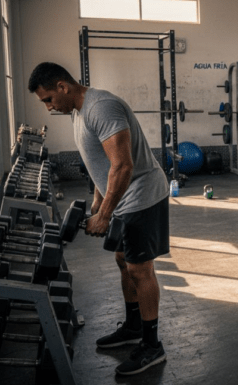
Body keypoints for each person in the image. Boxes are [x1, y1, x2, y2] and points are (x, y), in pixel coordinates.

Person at [28, 62, 169, 376]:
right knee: (122, 259)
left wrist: (105, 215)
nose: (49, 107)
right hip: (120, 196)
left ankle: (152, 345)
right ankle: (134, 325)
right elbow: (100, 162)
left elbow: (123, 165)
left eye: (48, 99)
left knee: (139, 268)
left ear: (63, 86)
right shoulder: (78, 112)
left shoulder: (100, 107)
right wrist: (98, 196)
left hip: (141, 195)